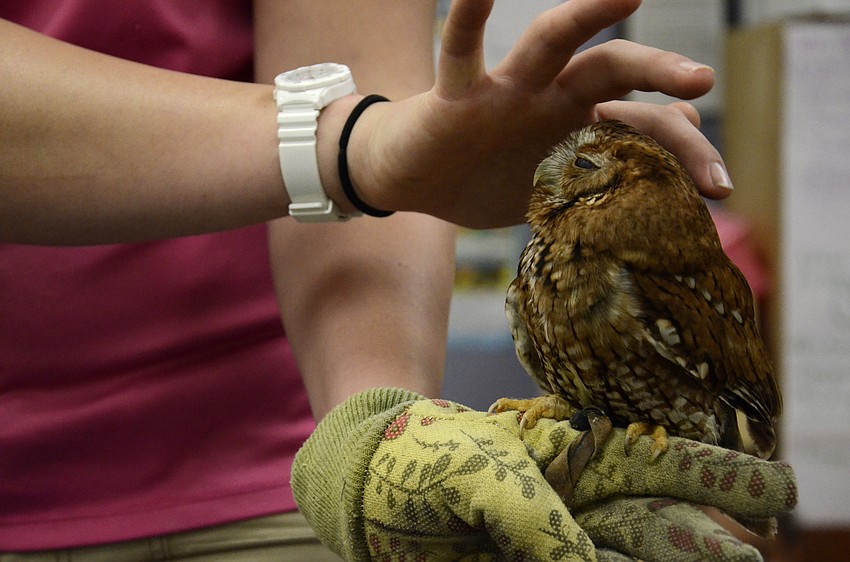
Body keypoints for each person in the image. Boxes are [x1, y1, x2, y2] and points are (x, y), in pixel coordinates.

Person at [0, 1, 794, 560]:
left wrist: (377, 436)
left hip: (285, 460)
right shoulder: (548, 259)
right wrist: (361, 149)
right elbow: (380, 155)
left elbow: (390, 162)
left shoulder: (656, 272)